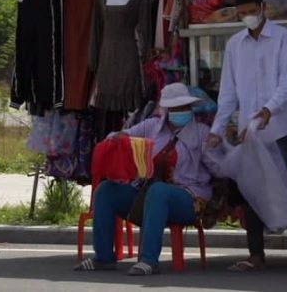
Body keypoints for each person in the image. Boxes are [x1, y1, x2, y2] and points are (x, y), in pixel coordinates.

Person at [207, 0, 287, 274]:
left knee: (285, 188)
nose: (249, 17)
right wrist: (217, 129)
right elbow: (228, 93)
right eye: (242, 13)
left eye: (252, 11)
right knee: (250, 190)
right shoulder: (234, 45)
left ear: (263, 7)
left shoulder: (283, 38)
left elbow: (286, 84)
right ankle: (256, 255)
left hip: (277, 128)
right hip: (249, 131)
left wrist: (268, 110)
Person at [75, 82, 220, 276]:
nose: (181, 111)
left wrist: (214, 149)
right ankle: (103, 258)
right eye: (176, 108)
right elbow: (122, 134)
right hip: (145, 195)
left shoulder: (202, 133)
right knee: (106, 190)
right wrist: (118, 138)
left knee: (158, 191)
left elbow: (218, 167)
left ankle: (148, 260)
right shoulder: (151, 127)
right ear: (167, 110)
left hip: (188, 198)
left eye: (184, 107)